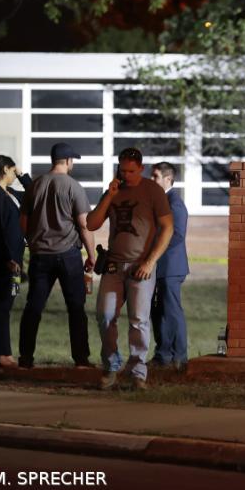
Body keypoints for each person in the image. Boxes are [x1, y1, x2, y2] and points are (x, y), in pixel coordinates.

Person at [87, 147, 173, 390]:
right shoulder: (114, 190)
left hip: (140, 267)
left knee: (138, 321)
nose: (126, 175)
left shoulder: (153, 191)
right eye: (122, 170)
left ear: (141, 168)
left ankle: (138, 372)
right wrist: (108, 196)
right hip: (113, 266)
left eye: (131, 171)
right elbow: (92, 224)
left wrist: (150, 261)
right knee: (105, 316)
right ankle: (111, 366)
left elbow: (168, 228)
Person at [18, 142, 97, 369]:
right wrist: (91, 255)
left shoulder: (35, 186)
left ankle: (26, 358)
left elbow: (23, 221)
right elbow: (84, 225)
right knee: (76, 308)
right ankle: (81, 359)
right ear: (68, 161)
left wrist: (33, 241)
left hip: (40, 255)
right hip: (68, 255)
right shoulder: (73, 186)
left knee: (33, 306)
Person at [0, 155, 31, 368]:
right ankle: (0, 352)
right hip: (6, 259)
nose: (14, 175)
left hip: (15, 257)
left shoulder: (8, 193)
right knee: (2, 303)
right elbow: (0, 231)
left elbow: (31, 194)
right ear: (4, 170)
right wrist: (9, 259)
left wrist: (22, 175)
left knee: (6, 301)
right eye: (12, 171)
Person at [149, 162, 190, 371]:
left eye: (155, 176)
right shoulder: (160, 201)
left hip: (170, 267)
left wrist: (154, 252)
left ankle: (180, 358)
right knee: (158, 311)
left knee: (172, 311)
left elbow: (177, 235)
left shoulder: (175, 203)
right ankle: (162, 355)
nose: (152, 180)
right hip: (159, 267)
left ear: (168, 179)